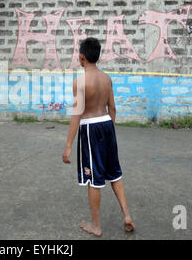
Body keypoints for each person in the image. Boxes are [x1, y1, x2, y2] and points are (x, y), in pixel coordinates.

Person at [62, 37, 135, 237]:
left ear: (81, 56)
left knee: (93, 179)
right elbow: (113, 108)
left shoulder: (80, 82)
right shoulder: (106, 78)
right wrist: (109, 131)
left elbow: (77, 114)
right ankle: (127, 215)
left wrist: (68, 145)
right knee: (115, 174)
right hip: (107, 125)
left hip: (90, 129)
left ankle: (96, 225)